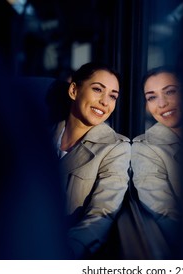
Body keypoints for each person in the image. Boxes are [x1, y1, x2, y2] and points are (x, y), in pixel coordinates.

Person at [47, 62, 131, 259]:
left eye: (113, 96)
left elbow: (103, 213)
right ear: (74, 90)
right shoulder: (40, 135)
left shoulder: (116, 148)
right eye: (97, 90)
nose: (105, 102)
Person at [130, 66, 182, 259]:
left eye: (170, 91)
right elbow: (164, 213)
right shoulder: (145, 148)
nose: (162, 103)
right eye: (151, 97)